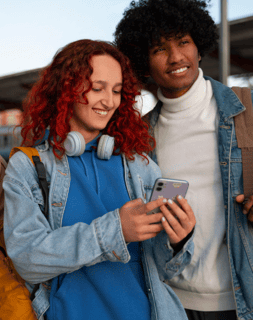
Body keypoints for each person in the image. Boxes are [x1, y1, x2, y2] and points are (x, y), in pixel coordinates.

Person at [115, 1, 253, 319]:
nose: (176, 57)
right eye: (159, 49)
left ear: (198, 48)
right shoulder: (140, 136)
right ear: (145, 62)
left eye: (183, 42)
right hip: (173, 303)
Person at [3, 39, 196, 320]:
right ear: (66, 89)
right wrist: (116, 230)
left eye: (117, 91)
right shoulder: (29, 166)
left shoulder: (139, 165)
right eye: (97, 88)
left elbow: (165, 269)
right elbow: (28, 259)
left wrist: (178, 241)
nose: (109, 101)